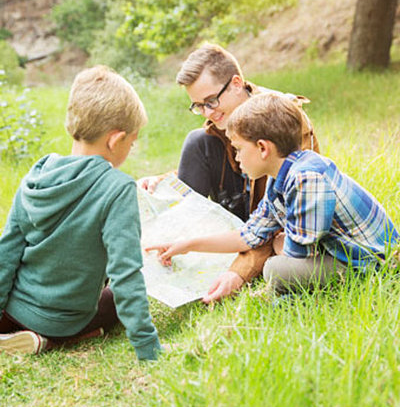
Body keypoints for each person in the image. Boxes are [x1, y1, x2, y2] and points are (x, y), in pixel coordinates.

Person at [148, 93, 399, 294]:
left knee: (275, 270)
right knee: (278, 263)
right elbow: (249, 236)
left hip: (371, 261)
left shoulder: (306, 179)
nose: (236, 158)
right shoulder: (278, 179)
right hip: (343, 251)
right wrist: (188, 245)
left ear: (262, 148)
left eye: (237, 149)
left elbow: (298, 255)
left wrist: (282, 242)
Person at [0, 65, 161, 359]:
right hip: (63, 320)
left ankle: (14, 331)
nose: (131, 147)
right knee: (113, 301)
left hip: (14, 308)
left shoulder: (36, 175)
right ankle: (50, 340)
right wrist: (148, 348)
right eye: (132, 141)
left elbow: (6, 254)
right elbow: (125, 274)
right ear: (115, 139)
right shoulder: (117, 187)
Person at [144, 43, 320, 302]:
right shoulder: (219, 123)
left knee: (281, 246)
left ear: (237, 83)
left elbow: (282, 217)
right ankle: (173, 251)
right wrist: (163, 182)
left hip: (274, 222)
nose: (207, 112)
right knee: (197, 142)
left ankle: (229, 259)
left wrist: (239, 273)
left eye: (211, 101)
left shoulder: (284, 119)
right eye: (198, 106)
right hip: (244, 216)